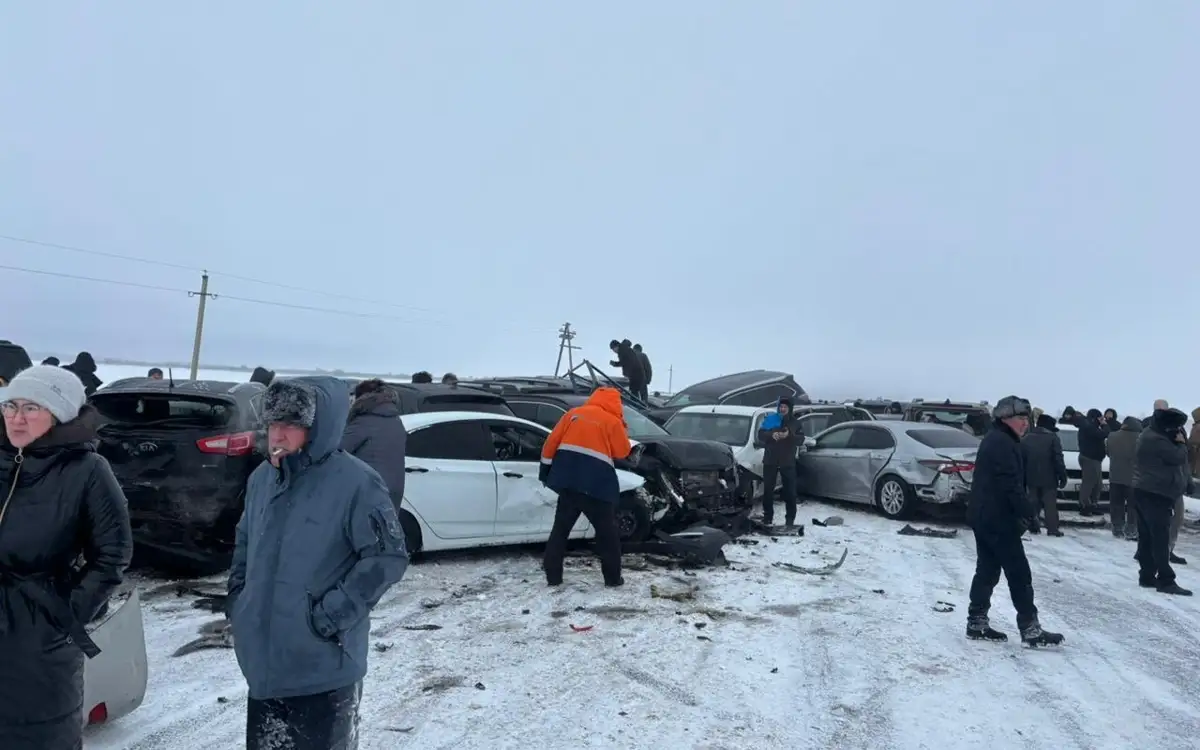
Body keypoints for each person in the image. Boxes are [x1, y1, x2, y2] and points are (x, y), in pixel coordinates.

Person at [227, 377, 409, 749]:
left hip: (322, 667)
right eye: (273, 425)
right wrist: (239, 600)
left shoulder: (357, 483)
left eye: (290, 426)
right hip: (264, 664)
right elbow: (245, 541)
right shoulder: (264, 477)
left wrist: (328, 618)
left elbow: (386, 557)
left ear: (317, 426)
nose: (277, 435)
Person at [0, 365, 133, 749]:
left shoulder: (87, 470)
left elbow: (112, 555)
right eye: (11, 406)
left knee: (38, 736)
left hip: (38, 641)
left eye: (31, 408)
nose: (17, 418)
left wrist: (65, 615)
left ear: (58, 414)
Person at [965, 396, 1063, 646]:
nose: (1025, 424)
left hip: (985, 516)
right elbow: (1010, 485)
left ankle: (976, 622)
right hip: (998, 519)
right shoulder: (1001, 443)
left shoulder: (998, 439)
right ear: (1005, 418)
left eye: (1026, 419)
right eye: (1021, 419)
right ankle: (1030, 629)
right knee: (1019, 573)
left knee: (987, 570)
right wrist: (1028, 512)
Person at [539, 386, 630, 587]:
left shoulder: (573, 414)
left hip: (569, 484)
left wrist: (545, 471)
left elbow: (550, 443)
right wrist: (622, 426)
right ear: (616, 404)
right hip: (597, 486)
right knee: (608, 535)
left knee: (560, 531)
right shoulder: (612, 421)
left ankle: (553, 577)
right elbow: (622, 451)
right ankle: (613, 579)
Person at [1131, 406, 1193, 595]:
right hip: (1155, 493)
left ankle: (1147, 576)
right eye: (1175, 427)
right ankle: (1166, 580)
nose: (1177, 431)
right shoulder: (1155, 439)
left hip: (1147, 490)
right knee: (1159, 537)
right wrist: (1182, 443)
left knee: (1148, 537)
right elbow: (1178, 457)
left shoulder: (1150, 434)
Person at [341, 379, 407, 517]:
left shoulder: (364, 421)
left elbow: (337, 449)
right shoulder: (395, 420)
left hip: (368, 490)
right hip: (392, 488)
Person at [757, 397, 801, 528]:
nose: (782, 409)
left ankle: (790, 520)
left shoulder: (795, 423)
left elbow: (801, 439)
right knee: (768, 490)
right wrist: (771, 435)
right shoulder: (770, 419)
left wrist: (789, 436)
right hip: (770, 460)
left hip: (787, 461)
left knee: (790, 492)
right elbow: (761, 435)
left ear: (790, 409)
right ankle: (767, 517)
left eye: (785, 407)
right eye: (780, 407)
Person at [1021, 413, 1067, 536]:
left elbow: (1021, 459)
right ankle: (1052, 529)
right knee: (1050, 504)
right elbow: (1058, 459)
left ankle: (1033, 526)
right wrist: (1062, 476)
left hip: (1030, 477)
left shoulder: (1026, 438)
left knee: (1033, 502)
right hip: (1049, 478)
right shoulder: (1053, 439)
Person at [1106, 416, 1142, 540]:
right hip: (1134, 478)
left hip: (1115, 476)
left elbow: (1108, 453)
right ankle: (1131, 528)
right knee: (1133, 505)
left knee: (1116, 503)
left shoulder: (1112, 436)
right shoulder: (1140, 438)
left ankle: (1117, 527)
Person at [1074, 409, 1107, 516]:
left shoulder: (1089, 426)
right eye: (1100, 418)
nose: (1101, 420)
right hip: (1089, 458)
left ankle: (1093, 505)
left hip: (1095, 459)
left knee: (1097, 484)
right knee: (1088, 484)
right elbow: (1104, 434)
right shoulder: (1088, 426)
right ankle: (1084, 506)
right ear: (1095, 418)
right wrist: (1104, 425)